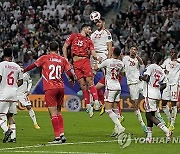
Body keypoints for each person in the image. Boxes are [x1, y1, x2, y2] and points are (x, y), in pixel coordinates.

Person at [24, 41, 75, 143]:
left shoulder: (45, 58)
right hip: (60, 87)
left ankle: (57, 138)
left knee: (53, 113)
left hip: (50, 88)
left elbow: (33, 65)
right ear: (58, 49)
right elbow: (69, 72)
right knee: (59, 111)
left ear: (49, 49)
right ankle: (62, 134)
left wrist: (24, 70)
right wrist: (72, 80)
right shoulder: (62, 59)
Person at [62, 24, 100, 118]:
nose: (90, 31)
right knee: (82, 85)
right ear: (84, 28)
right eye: (89, 29)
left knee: (89, 81)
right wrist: (66, 59)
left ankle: (96, 101)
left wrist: (96, 57)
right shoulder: (74, 36)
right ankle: (88, 105)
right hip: (76, 63)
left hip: (85, 61)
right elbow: (64, 47)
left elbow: (92, 51)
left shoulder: (89, 41)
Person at [139, 52, 172, 143]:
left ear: (153, 58)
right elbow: (164, 84)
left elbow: (146, 78)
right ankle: (149, 137)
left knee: (149, 115)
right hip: (157, 94)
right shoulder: (161, 70)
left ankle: (167, 131)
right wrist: (157, 88)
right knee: (149, 114)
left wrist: (140, 77)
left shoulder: (151, 66)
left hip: (149, 94)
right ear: (161, 60)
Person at [94, 47, 125, 136]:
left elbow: (96, 68)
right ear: (119, 55)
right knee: (115, 107)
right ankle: (118, 126)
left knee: (108, 110)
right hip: (118, 87)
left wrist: (98, 61)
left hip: (110, 87)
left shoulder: (108, 61)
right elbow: (122, 73)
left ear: (112, 52)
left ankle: (120, 126)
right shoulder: (121, 63)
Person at [90, 17, 113, 115]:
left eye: (99, 22)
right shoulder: (93, 34)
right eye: (96, 22)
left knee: (108, 77)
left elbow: (110, 46)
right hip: (94, 56)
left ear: (103, 22)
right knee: (90, 78)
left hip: (104, 54)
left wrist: (108, 58)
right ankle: (92, 102)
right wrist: (93, 57)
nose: (97, 24)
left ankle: (108, 99)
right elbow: (91, 47)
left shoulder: (107, 33)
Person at [0, 48, 23, 143]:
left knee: (0, 115)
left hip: (4, 93)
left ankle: (6, 130)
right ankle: (13, 138)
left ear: (3, 55)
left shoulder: (1, 64)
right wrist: (13, 87)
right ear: (12, 56)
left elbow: (0, 77)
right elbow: (20, 81)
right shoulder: (17, 66)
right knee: (10, 115)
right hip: (14, 94)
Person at [122, 46, 147, 133]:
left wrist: (137, 56)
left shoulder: (137, 60)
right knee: (136, 104)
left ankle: (158, 116)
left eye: (135, 49)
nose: (133, 50)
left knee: (148, 97)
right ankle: (142, 124)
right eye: (132, 49)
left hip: (140, 82)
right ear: (129, 50)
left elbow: (142, 63)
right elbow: (122, 67)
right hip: (132, 84)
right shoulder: (125, 58)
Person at [17, 61, 40, 129]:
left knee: (29, 107)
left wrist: (28, 90)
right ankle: (9, 124)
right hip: (14, 94)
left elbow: (30, 82)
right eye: (19, 65)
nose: (20, 66)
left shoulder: (25, 74)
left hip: (23, 94)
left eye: (21, 65)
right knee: (10, 110)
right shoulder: (14, 74)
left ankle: (35, 124)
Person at [161, 47, 180, 131]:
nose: (172, 54)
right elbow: (161, 68)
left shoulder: (179, 61)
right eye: (171, 52)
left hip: (175, 85)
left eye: (174, 53)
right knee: (163, 104)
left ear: (176, 54)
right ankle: (169, 119)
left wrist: (178, 61)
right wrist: (164, 70)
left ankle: (172, 124)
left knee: (173, 104)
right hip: (167, 84)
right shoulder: (167, 61)